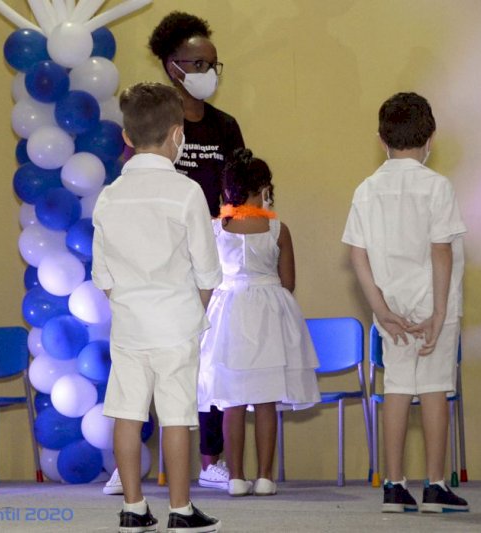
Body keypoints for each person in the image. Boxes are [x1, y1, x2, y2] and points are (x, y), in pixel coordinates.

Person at [92, 82, 222, 533]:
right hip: (176, 324)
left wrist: (131, 304)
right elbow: (208, 272)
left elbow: (103, 276)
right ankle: (182, 510)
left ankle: (133, 507)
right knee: (177, 417)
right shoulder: (186, 193)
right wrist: (194, 311)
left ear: (126, 137)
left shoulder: (109, 196)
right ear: (177, 135)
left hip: (129, 326)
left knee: (126, 413)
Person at [342, 92, 469, 513]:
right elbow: (441, 251)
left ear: (382, 139)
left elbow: (357, 254)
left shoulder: (367, 189)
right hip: (436, 306)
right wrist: (436, 314)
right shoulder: (437, 186)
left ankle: (393, 486)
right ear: (430, 137)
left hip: (391, 308)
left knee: (396, 390)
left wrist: (378, 307)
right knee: (434, 390)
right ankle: (435, 485)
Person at [203, 148, 320, 497]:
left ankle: (236, 477)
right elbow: (289, 282)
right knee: (267, 400)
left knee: (233, 400)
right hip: (269, 314)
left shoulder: (215, 229)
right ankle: (266, 476)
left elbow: (208, 278)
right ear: (264, 187)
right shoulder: (278, 229)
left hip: (229, 314)